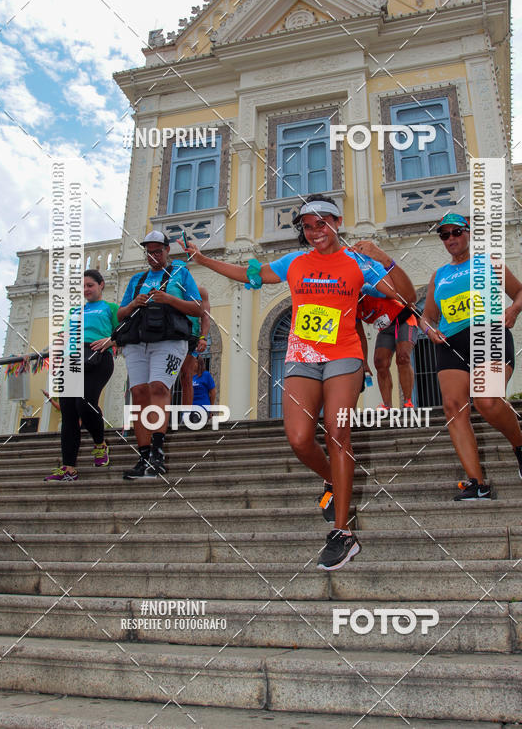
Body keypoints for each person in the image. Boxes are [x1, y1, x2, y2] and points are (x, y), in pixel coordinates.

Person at [183, 193, 414, 571]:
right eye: (307, 226)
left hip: (344, 355)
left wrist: (383, 257)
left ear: (336, 223)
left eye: (321, 223)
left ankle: (343, 533)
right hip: (302, 357)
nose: (314, 231)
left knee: (337, 433)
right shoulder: (295, 262)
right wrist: (203, 259)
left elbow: (406, 295)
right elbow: (249, 274)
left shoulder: (358, 262)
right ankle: (334, 479)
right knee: (299, 438)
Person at [419, 213, 522, 500]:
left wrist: (514, 310)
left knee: (486, 400)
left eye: (456, 232)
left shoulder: (489, 262)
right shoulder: (439, 275)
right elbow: (427, 316)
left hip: (488, 333)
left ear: (468, 232)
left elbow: (521, 292)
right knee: (453, 407)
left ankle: (521, 446)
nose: (451, 238)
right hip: (451, 343)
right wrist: (428, 330)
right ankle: (477, 484)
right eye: (445, 235)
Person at [117, 230, 201, 480]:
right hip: (138, 341)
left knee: (159, 387)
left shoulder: (181, 273)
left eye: (157, 251)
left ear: (167, 250)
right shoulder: (137, 279)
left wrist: (168, 299)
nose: (153, 256)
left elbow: (197, 308)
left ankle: (157, 452)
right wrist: (134, 304)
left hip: (170, 340)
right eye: (149, 252)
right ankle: (143, 456)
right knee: (138, 392)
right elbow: (120, 314)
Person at [44, 269, 118, 481]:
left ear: (101, 285)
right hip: (71, 360)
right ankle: (69, 468)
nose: (86, 289)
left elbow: (125, 332)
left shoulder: (111, 308)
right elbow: (63, 336)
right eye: (82, 286)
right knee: (68, 413)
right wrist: (56, 356)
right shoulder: (74, 311)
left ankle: (100, 444)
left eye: (90, 285)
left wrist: (111, 341)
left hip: (97, 357)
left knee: (84, 403)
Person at [353, 240, 418, 409]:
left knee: (403, 357)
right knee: (380, 362)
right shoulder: (352, 309)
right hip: (386, 328)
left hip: (404, 319)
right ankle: (387, 405)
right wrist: (364, 362)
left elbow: (397, 294)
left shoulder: (369, 290)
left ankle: (408, 401)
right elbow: (361, 337)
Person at [179, 285, 211, 416]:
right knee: (166, 379)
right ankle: (163, 417)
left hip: (191, 336)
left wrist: (203, 337)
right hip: (169, 337)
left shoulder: (200, 290)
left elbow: (206, 316)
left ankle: (186, 415)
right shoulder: (166, 286)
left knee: (186, 375)